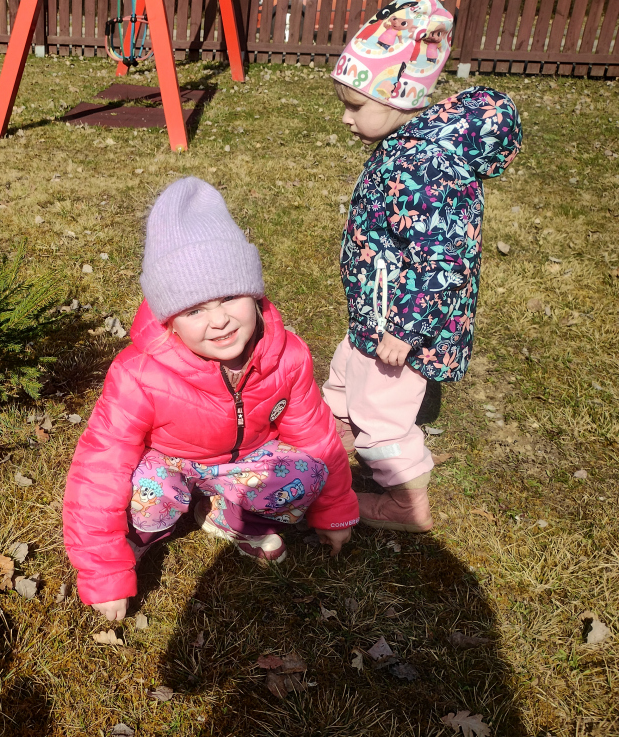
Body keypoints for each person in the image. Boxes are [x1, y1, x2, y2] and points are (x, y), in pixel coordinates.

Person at [62, 177, 360, 621]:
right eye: (194, 309)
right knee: (148, 490)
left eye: (230, 296)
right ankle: (140, 538)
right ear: (169, 321)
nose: (219, 320)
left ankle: (229, 517)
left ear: (254, 294)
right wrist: (103, 569)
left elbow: (316, 436)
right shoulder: (138, 374)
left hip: (246, 461)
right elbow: (100, 465)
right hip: (172, 462)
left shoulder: (288, 356)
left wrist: (335, 510)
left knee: (307, 473)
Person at [325, 0, 522, 532]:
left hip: (405, 322)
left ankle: (406, 505)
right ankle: (338, 435)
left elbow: (443, 261)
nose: (345, 117)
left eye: (354, 105)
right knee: (346, 369)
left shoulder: (429, 166)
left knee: (384, 408)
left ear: (399, 97)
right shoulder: (405, 144)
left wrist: (407, 330)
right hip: (380, 308)